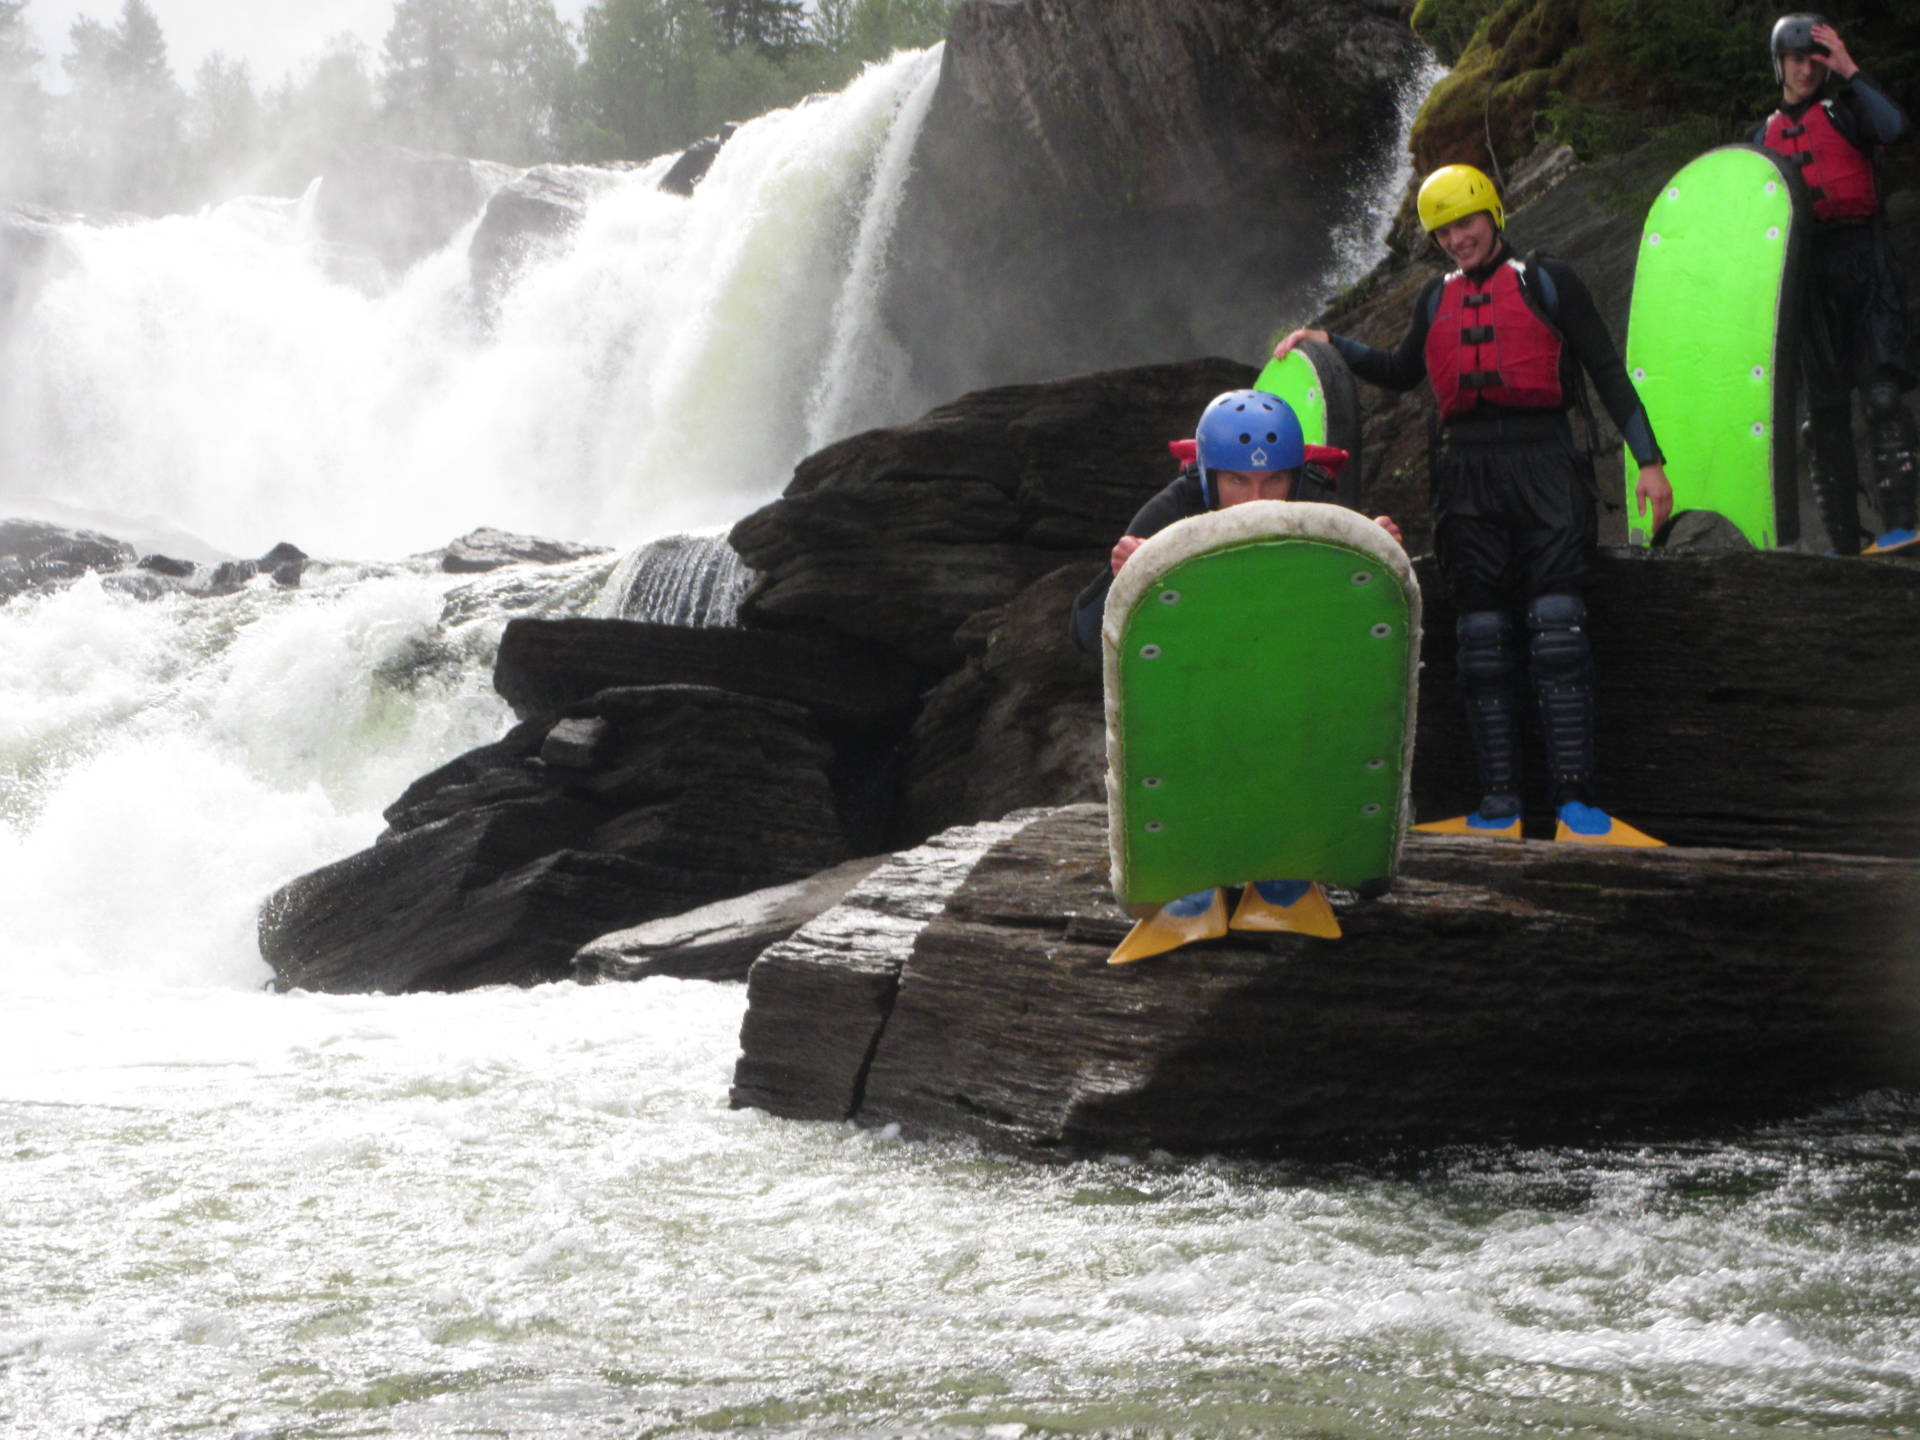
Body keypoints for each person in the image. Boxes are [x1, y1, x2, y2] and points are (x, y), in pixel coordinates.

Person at [1274, 163, 1672, 846]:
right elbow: (1403, 370)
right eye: (1444, 231)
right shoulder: (1435, 297)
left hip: (1545, 465)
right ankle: (1499, 806)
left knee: (1557, 627)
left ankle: (1577, 804)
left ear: (1493, 215)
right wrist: (1330, 343)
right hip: (1466, 476)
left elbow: (1607, 370)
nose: (1457, 239)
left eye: (1466, 222)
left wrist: (1651, 462)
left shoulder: (1545, 279)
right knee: (1480, 639)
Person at [1074, 389, 1403, 959]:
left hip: (1288, 705)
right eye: (1237, 482)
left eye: (1274, 481)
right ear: (1206, 475)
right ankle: (1190, 889)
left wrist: (1375, 554)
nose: (1257, 499)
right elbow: (1083, 632)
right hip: (1199, 709)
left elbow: (1363, 634)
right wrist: (1122, 580)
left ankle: (1286, 880)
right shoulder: (1172, 509)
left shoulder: (1318, 504)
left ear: (1296, 474)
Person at [1757, 14, 1916, 555]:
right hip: (1806, 277)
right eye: (1797, 59)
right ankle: (1845, 547)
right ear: (1779, 64)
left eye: (1815, 60)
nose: (1807, 69)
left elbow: (1895, 127)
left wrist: (1849, 68)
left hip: (1864, 263)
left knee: (1882, 397)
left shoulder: (1850, 113)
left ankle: (1902, 530)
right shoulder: (1762, 139)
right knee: (1819, 419)